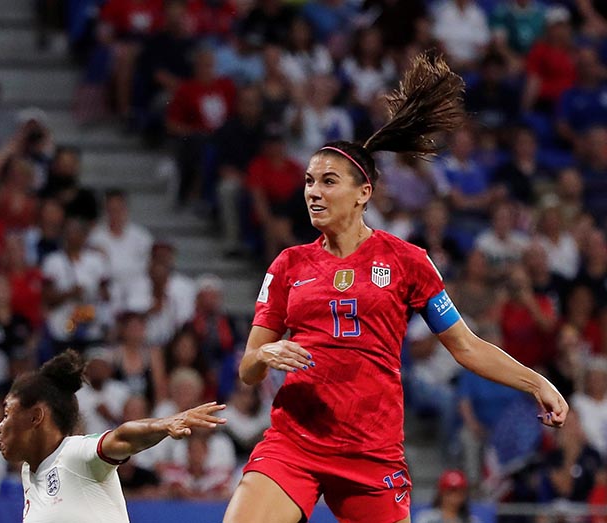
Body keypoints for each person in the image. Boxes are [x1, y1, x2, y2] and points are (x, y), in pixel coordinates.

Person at [221, 53, 568, 523]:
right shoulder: (289, 264)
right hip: (294, 443)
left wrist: (538, 382)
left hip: (371, 449)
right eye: (308, 182)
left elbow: (465, 346)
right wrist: (264, 356)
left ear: (364, 192)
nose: (313, 192)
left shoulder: (407, 261)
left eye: (328, 181)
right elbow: (248, 369)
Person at [0, 349, 226, 523]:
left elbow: (122, 437)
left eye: (7, 414)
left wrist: (163, 424)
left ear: (35, 417)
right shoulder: (29, 472)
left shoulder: (74, 453)